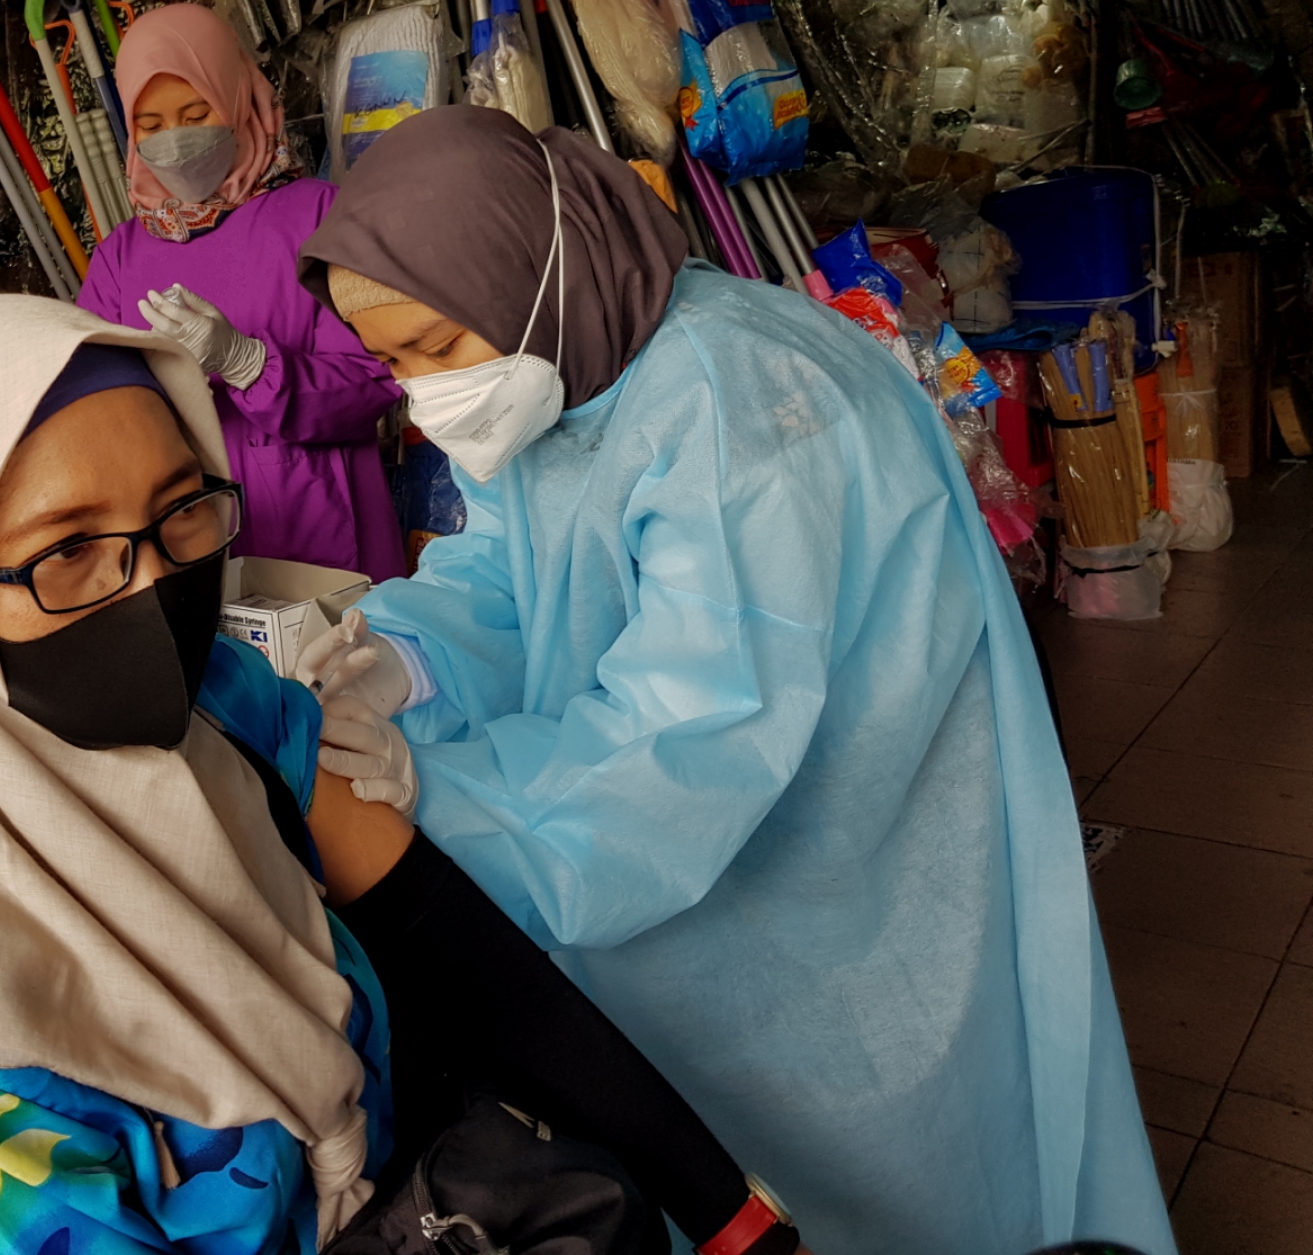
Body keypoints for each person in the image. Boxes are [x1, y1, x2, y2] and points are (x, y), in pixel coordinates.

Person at [0, 295, 815, 1255]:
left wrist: (729, 1218)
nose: (156, 589)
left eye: (181, 512)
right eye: (67, 549)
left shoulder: (224, 708)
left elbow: (464, 958)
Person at [293, 105, 1175, 1255]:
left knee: (887, 1180)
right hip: (694, 858)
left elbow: (691, 734)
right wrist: (398, 656)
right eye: (394, 361)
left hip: (832, 882)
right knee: (733, 1163)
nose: (421, 391)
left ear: (527, 268)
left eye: (437, 349)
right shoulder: (575, 360)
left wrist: (430, 796)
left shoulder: (743, 406)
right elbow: (508, 564)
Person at [74, 4, 405, 582]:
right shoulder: (120, 257)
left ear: (237, 100)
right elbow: (90, 406)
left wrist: (248, 364)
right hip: (184, 541)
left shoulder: (318, 217)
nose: (174, 139)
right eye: (150, 126)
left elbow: (380, 378)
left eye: (196, 112)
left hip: (320, 525)